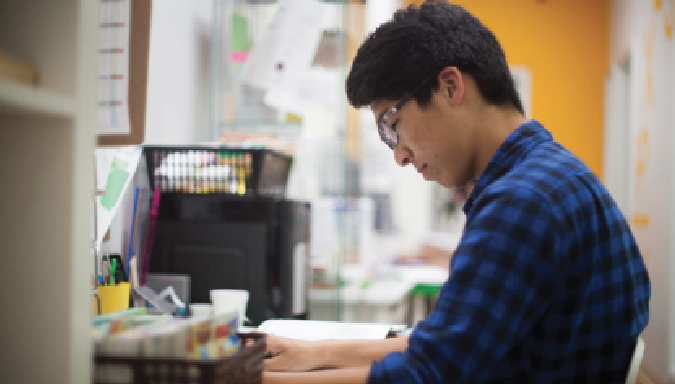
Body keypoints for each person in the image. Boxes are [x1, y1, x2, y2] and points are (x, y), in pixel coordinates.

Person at [263, 1, 651, 383]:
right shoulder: (554, 174)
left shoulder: (520, 202)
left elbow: (429, 374)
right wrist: (310, 353)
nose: (399, 154)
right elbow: (452, 344)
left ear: (450, 86)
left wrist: (256, 378)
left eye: (392, 125)